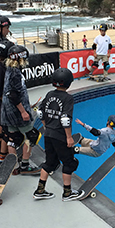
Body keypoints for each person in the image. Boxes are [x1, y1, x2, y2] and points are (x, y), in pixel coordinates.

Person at [33, 69, 83, 201]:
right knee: (69, 162)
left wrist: (45, 126)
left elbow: (40, 112)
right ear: (68, 83)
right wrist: (69, 137)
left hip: (48, 134)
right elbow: (65, 119)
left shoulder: (49, 94)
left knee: (50, 162)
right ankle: (67, 193)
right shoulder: (68, 98)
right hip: (60, 135)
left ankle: (40, 190)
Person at [2, 44, 38, 175]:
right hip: (17, 111)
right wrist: (23, 111)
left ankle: (14, 165)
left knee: (12, 138)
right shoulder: (16, 73)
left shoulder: (9, 69)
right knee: (30, 137)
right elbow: (13, 94)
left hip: (8, 111)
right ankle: (25, 165)